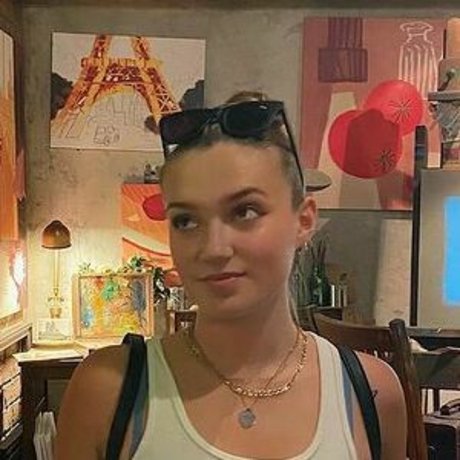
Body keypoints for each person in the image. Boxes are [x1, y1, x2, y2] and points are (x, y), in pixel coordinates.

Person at [54, 92, 407, 460]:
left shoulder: (372, 394)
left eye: (245, 212)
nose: (214, 248)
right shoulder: (108, 392)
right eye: (186, 220)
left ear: (303, 221)